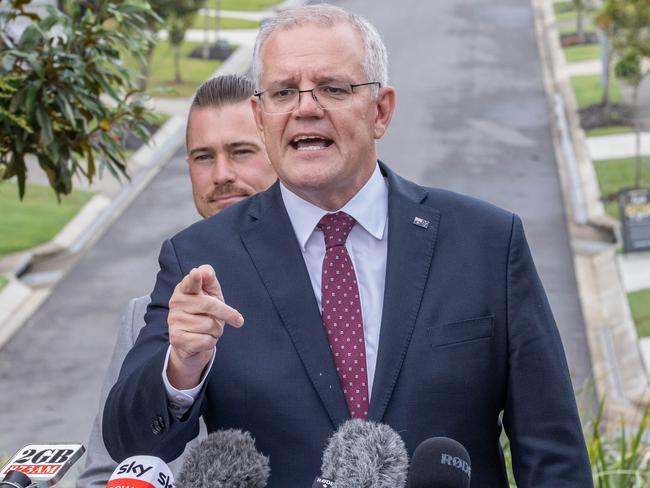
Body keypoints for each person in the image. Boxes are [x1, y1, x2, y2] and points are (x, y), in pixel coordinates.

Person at [103, 5, 593, 486]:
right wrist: (182, 368)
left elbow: (552, 453)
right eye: (283, 91)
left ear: (381, 110)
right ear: (260, 116)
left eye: (333, 88)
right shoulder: (200, 260)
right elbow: (131, 443)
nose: (305, 107)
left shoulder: (486, 242)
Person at [76, 74, 277, 488]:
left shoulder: (331, 291)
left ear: (278, 150)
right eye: (203, 157)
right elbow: (103, 473)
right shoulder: (145, 316)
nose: (221, 174)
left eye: (241, 152)